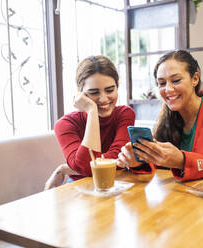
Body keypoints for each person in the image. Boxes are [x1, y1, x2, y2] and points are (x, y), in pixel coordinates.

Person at [117, 50, 203, 181]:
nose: (168, 89)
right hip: (192, 199)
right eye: (162, 83)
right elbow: (161, 165)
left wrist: (182, 161)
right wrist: (139, 161)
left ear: (195, 79)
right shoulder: (167, 116)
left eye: (176, 80)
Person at [45, 56, 147, 190]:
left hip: (116, 182)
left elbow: (118, 156)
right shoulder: (65, 124)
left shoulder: (125, 114)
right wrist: (91, 111)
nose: (103, 99)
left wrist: (65, 168)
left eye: (110, 90)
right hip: (80, 186)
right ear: (80, 94)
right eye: (93, 93)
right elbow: (87, 168)